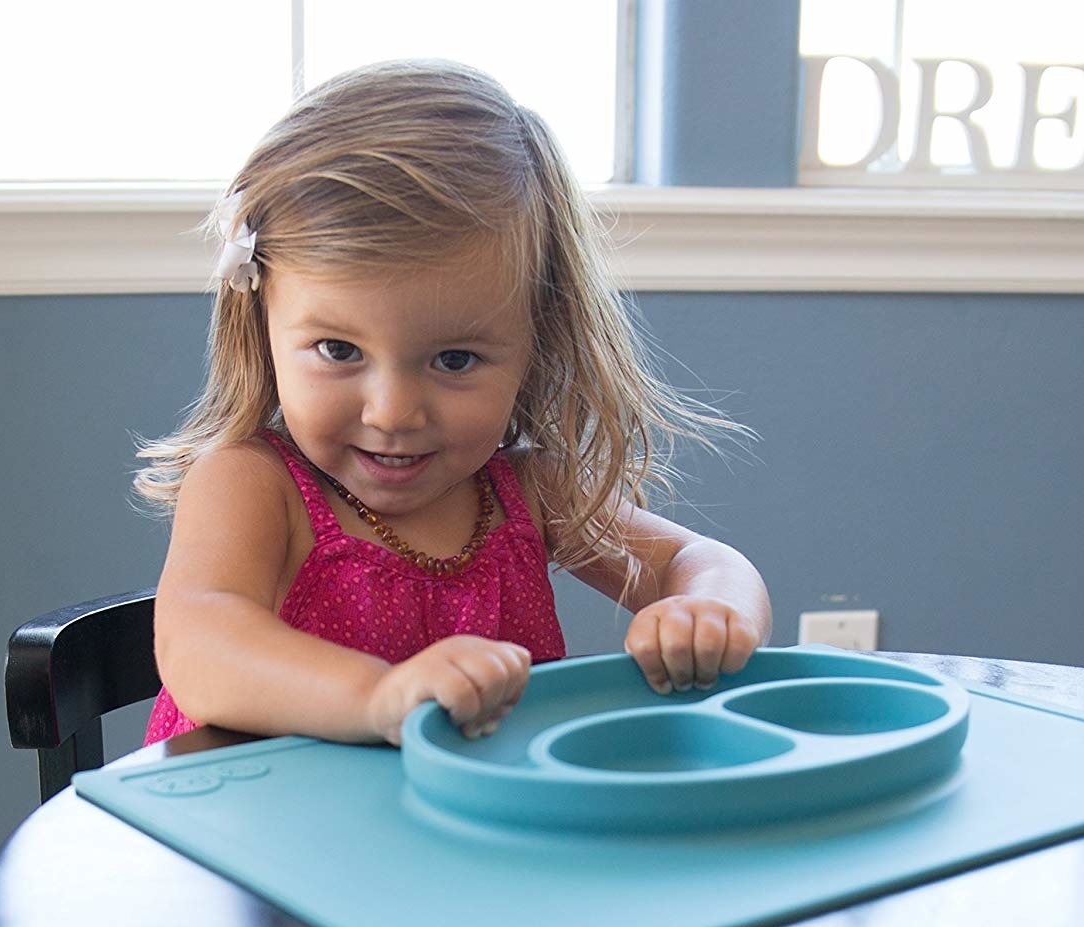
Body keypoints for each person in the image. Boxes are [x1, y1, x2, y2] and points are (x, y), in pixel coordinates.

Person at [134, 60, 771, 748]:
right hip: (249, 833)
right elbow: (201, 649)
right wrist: (378, 697)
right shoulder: (250, 484)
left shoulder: (528, 489)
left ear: (537, 344)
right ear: (262, 327)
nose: (393, 412)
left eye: (455, 360)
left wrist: (709, 610)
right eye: (339, 351)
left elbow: (698, 560)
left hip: (461, 839)